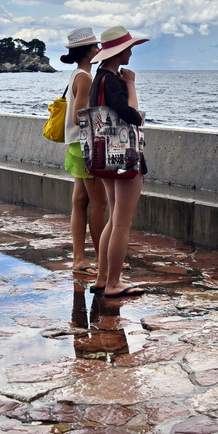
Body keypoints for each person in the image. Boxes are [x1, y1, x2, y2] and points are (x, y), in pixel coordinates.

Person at [87, 26, 148, 298]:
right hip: (124, 156)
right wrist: (131, 84)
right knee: (122, 221)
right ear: (119, 51)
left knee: (113, 218)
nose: (132, 52)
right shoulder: (112, 80)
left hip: (104, 154)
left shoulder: (97, 79)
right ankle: (114, 283)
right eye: (129, 48)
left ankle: (103, 278)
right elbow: (132, 116)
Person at [61, 27, 107, 276]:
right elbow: (81, 116)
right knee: (99, 204)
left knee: (79, 202)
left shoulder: (76, 74)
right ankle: (102, 259)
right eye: (96, 46)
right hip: (85, 145)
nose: (99, 49)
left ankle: (79, 258)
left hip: (75, 145)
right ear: (89, 50)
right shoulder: (86, 77)